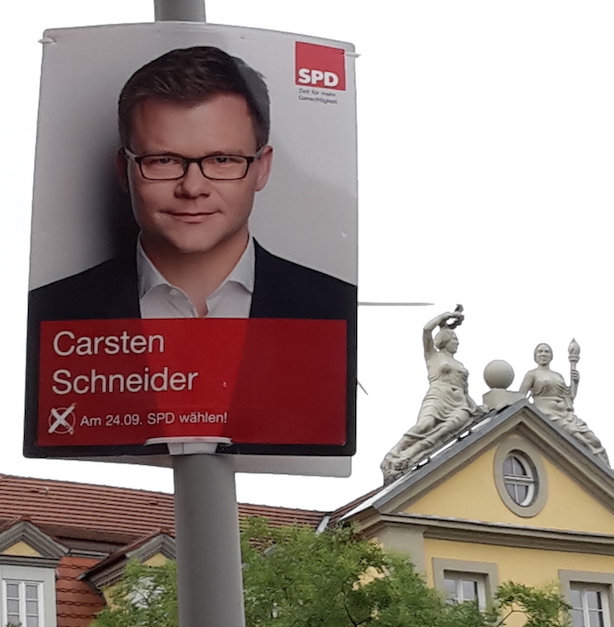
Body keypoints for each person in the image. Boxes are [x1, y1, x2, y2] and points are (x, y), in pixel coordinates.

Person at [25, 45, 356, 458]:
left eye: (222, 159)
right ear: (124, 171)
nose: (193, 187)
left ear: (262, 167)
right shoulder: (56, 311)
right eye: (163, 160)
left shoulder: (331, 308)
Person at [381, 309, 483, 485]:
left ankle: (410, 456)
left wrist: (476, 408)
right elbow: (427, 330)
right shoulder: (432, 355)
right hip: (438, 396)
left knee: (446, 429)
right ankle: (395, 454)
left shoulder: (460, 365)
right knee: (424, 424)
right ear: (445, 341)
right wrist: (444, 317)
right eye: (454, 340)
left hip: (459, 404)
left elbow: (465, 392)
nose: (457, 344)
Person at [519, 343, 608, 464]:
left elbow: (569, 397)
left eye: (546, 351)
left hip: (566, 414)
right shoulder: (532, 374)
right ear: (535, 356)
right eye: (540, 351)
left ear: (551, 356)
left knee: (593, 439)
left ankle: (606, 470)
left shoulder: (558, 375)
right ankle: (596, 467)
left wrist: (575, 382)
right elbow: (521, 397)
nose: (543, 354)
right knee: (577, 436)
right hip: (548, 413)